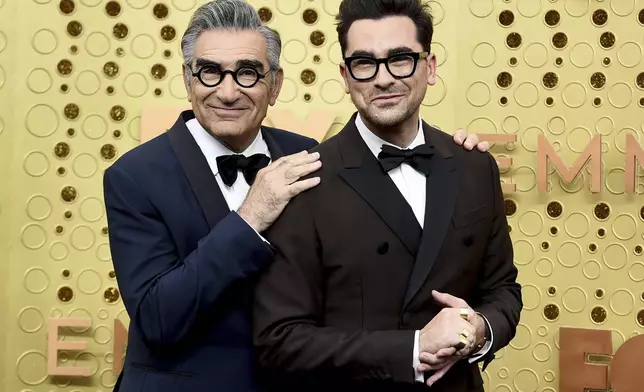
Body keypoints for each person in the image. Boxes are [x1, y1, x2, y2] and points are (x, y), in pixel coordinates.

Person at [104, 0, 489, 391]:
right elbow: (157, 319)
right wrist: (249, 218)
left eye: (248, 72)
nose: (228, 90)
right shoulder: (134, 176)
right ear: (188, 81)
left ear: (275, 86)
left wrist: (453, 158)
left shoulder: (307, 155)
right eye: (209, 73)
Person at [252, 0, 523, 391]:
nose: (383, 79)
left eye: (400, 59)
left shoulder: (475, 167)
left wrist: (480, 329)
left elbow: (503, 290)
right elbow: (279, 340)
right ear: (346, 76)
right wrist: (412, 349)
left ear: (429, 67)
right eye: (364, 63)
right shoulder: (305, 179)